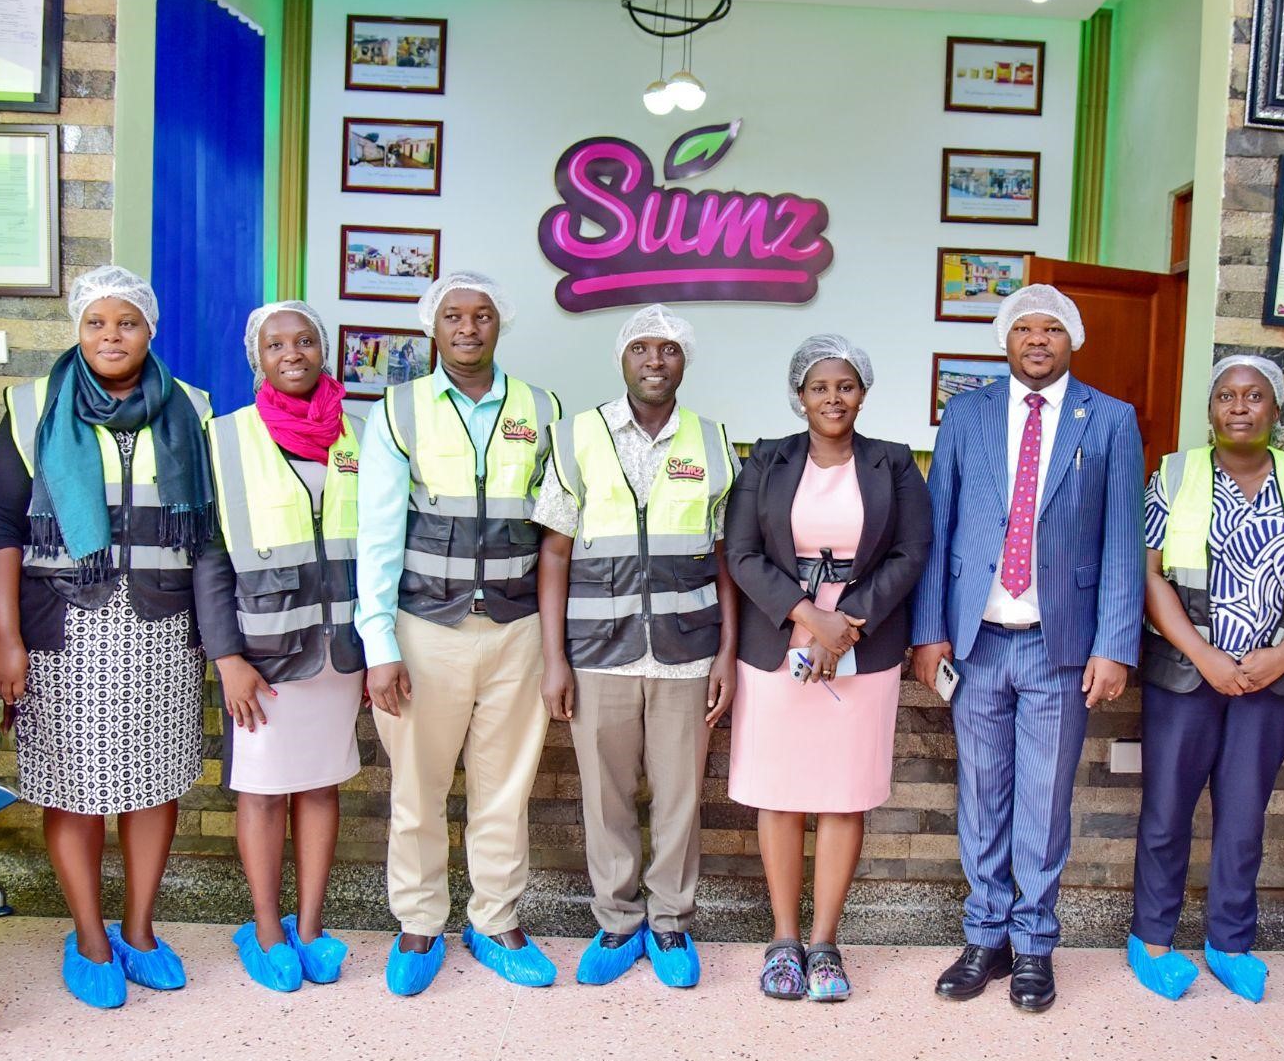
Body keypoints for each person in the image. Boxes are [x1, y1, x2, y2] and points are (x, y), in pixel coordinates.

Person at [0, 267, 216, 1009]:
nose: (111, 336)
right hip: (63, 629)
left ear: (151, 330)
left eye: (127, 322)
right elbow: (2, 528)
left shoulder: (193, 408)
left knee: (154, 783)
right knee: (72, 788)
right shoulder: (31, 407)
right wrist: (5, 637)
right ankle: (88, 936)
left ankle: (139, 930)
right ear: (78, 329)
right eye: (96, 322)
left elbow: (211, 533)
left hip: (162, 628)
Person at [911, 285, 1145, 1013]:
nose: (1037, 340)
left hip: (1060, 644)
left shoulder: (1110, 419)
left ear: (1073, 340)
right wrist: (929, 631)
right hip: (976, 641)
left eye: (1052, 329)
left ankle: (1035, 945)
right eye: (1024, 329)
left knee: (1043, 802)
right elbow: (938, 525)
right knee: (982, 794)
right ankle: (985, 937)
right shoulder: (968, 413)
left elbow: (1122, 538)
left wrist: (1115, 643)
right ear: (1004, 340)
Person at [356, 271, 562, 994]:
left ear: (500, 324)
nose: (468, 328)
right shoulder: (398, 410)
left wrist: (554, 645)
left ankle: (495, 919)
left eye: (482, 315)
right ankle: (418, 921)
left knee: (506, 788)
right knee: (418, 786)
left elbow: (555, 531)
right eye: (453, 316)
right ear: (432, 327)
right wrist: (379, 644)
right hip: (424, 628)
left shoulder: (541, 408)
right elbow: (377, 535)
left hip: (516, 628)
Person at [1131, 355, 1284, 1004]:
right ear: (1210, 409)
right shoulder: (1175, 473)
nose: (1239, 406)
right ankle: (1151, 938)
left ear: (1275, 410)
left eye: (1254, 396)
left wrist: (1283, 657)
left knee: (1244, 812)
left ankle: (1229, 941)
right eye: (1226, 395)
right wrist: (1204, 654)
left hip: (1271, 679)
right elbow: (1148, 574)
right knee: (1167, 809)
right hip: (1186, 672)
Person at [535, 305, 738, 990]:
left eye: (670, 349)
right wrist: (554, 658)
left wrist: (727, 654)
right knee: (606, 797)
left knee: (680, 797)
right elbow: (554, 553)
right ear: (622, 359)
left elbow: (725, 559)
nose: (656, 360)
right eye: (642, 348)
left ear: (685, 361)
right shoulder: (576, 436)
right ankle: (618, 920)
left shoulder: (713, 442)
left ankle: (671, 920)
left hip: (687, 651)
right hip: (598, 650)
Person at [724, 335, 931, 1001]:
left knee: (844, 796)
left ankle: (824, 945)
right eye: (819, 387)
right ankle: (784, 941)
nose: (833, 398)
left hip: (863, 651)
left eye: (845, 386)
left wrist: (847, 626)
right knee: (780, 794)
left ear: (863, 393)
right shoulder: (766, 459)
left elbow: (912, 551)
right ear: (800, 395)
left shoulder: (895, 462)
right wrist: (812, 619)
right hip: (777, 646)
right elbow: (741, 552)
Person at [198, 301, 363, 992]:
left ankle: (312, 925)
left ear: (324, 350)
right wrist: (227, 658)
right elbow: (209, 557)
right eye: (275, 345)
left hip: (339, 649)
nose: (291, 353)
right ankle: (266, 929)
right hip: (262, 656)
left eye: (304, 340)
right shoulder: (225, 437)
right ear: (256, 358)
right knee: (264, 792)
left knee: (321, 784)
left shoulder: (357, 433)